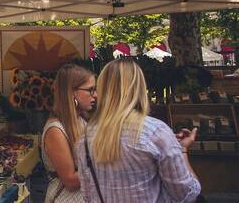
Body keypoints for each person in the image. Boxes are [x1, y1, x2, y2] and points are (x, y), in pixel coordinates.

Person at [75, 58, 200, 202]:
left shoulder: (85, 138)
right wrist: (183, 150)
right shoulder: (155, 133)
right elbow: (186, 194)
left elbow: (87, 196)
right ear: (139, 88)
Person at [41, 64, 96, 203]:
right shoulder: (55, 130)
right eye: (90, 90)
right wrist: (105, 165)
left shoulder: (82, 119)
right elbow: (70, 181)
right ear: (72, 93)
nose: (95, 94)